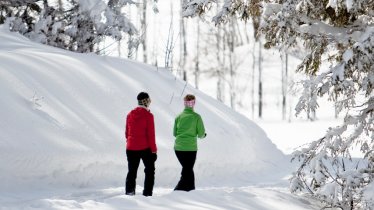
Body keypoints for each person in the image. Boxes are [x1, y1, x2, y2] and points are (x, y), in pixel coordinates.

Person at [125, 92, 157, 196]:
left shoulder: (130, 114)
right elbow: (151, 135)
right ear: (146, 101)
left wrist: (131, 142)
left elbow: (127, 133)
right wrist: (154, 151)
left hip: (130, 148)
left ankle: (129, 193)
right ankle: (147, 194)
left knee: (132, 172)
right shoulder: (148, 116)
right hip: (145, 148)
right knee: (150, 171)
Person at [173, 94, 206, 191]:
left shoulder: (178, 116)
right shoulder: (197, 117)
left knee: (187, 169)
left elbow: (174, 133)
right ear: (194, 103)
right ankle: (178, 189)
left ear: (184, 104)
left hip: (178, 148)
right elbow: (201, 134)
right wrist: (204, 135)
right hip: (191, 148)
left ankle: (190, 189)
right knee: (188, 169)